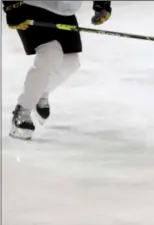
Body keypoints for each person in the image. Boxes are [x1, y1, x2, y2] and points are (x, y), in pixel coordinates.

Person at [2, 1, 112, 140]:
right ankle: (23, 110)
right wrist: (12, 6)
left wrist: (102, 3)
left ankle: (39, 93)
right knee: (50, 54)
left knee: (70, 62)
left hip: (65, 9)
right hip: (31, 5)